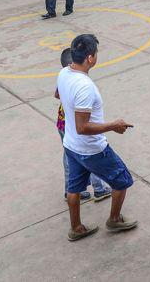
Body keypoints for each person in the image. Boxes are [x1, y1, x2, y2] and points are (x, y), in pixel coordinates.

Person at [58, 34, 136, 242]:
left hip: (71, 145)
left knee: (73, 188)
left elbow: (58, 94)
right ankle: (114, 219)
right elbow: (82, 127)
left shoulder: (64, 73)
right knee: (122, 180)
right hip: (91, 149)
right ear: (91, 58)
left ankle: (76, 227)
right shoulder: (84, 86)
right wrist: (113, 125)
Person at [55, 48, 111, 201]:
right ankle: (98, 189)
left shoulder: (64, 77)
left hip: (62, 123)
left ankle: (72, 190)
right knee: (89, 153)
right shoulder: (80, 84)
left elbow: (56, 94)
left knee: (70, 157)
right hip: (73, 125)